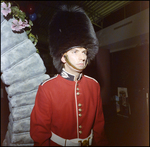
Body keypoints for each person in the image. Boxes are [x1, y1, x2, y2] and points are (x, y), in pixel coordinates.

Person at [30, 5, 108, 146]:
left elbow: (99, 128)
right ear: (63, 57)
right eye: (75, 52)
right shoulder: (47, 88)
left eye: (84, 52)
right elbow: (40, 135)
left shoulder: (94, 85)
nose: (82, 57)